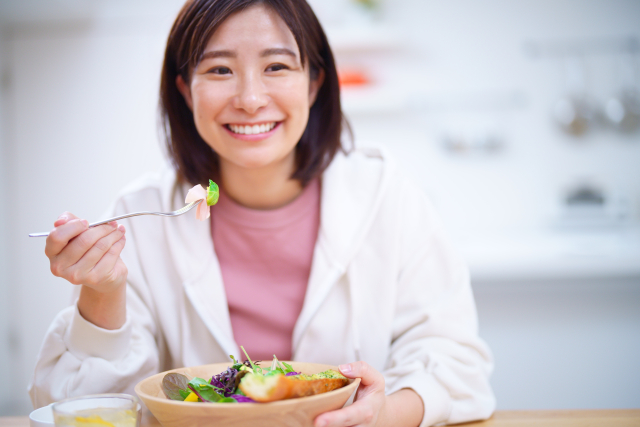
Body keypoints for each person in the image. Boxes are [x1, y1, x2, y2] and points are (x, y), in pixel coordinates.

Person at [28, 0, 495, 425]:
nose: (250, 98)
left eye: (276, 66)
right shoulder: (142, 214)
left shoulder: (386, 198)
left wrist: (385, 415)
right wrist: (103, 293)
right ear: (186, 91)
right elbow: (82, 406)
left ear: (314, 83)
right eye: (218, 71)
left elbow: (457, 366)